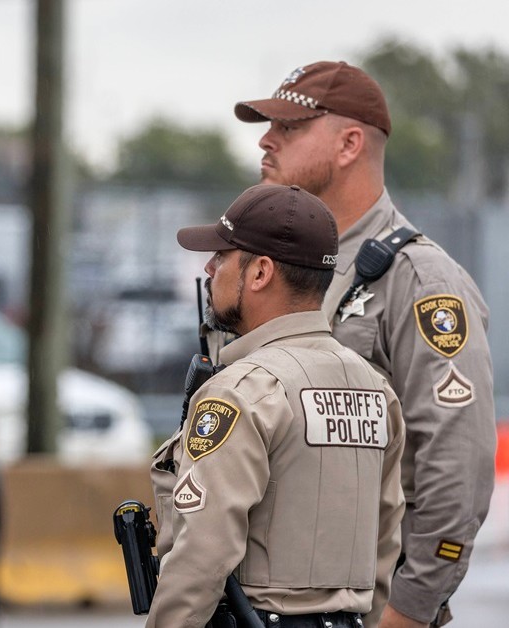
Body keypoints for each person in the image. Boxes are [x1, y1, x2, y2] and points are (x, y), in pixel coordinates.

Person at [233, 61, 496, 628]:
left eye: (289, 127)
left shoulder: (419, 281)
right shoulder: (270, 270)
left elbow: (456, 463)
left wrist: (411, 609)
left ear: (350, 143)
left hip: (360, 609)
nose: (266, 140)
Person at [148, 183, 405, 628]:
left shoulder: (242, 390)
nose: (209, 268)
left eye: (222, 256)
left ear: (260, 273)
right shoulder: (376, 390)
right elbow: (384, 546)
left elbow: (201, 556)